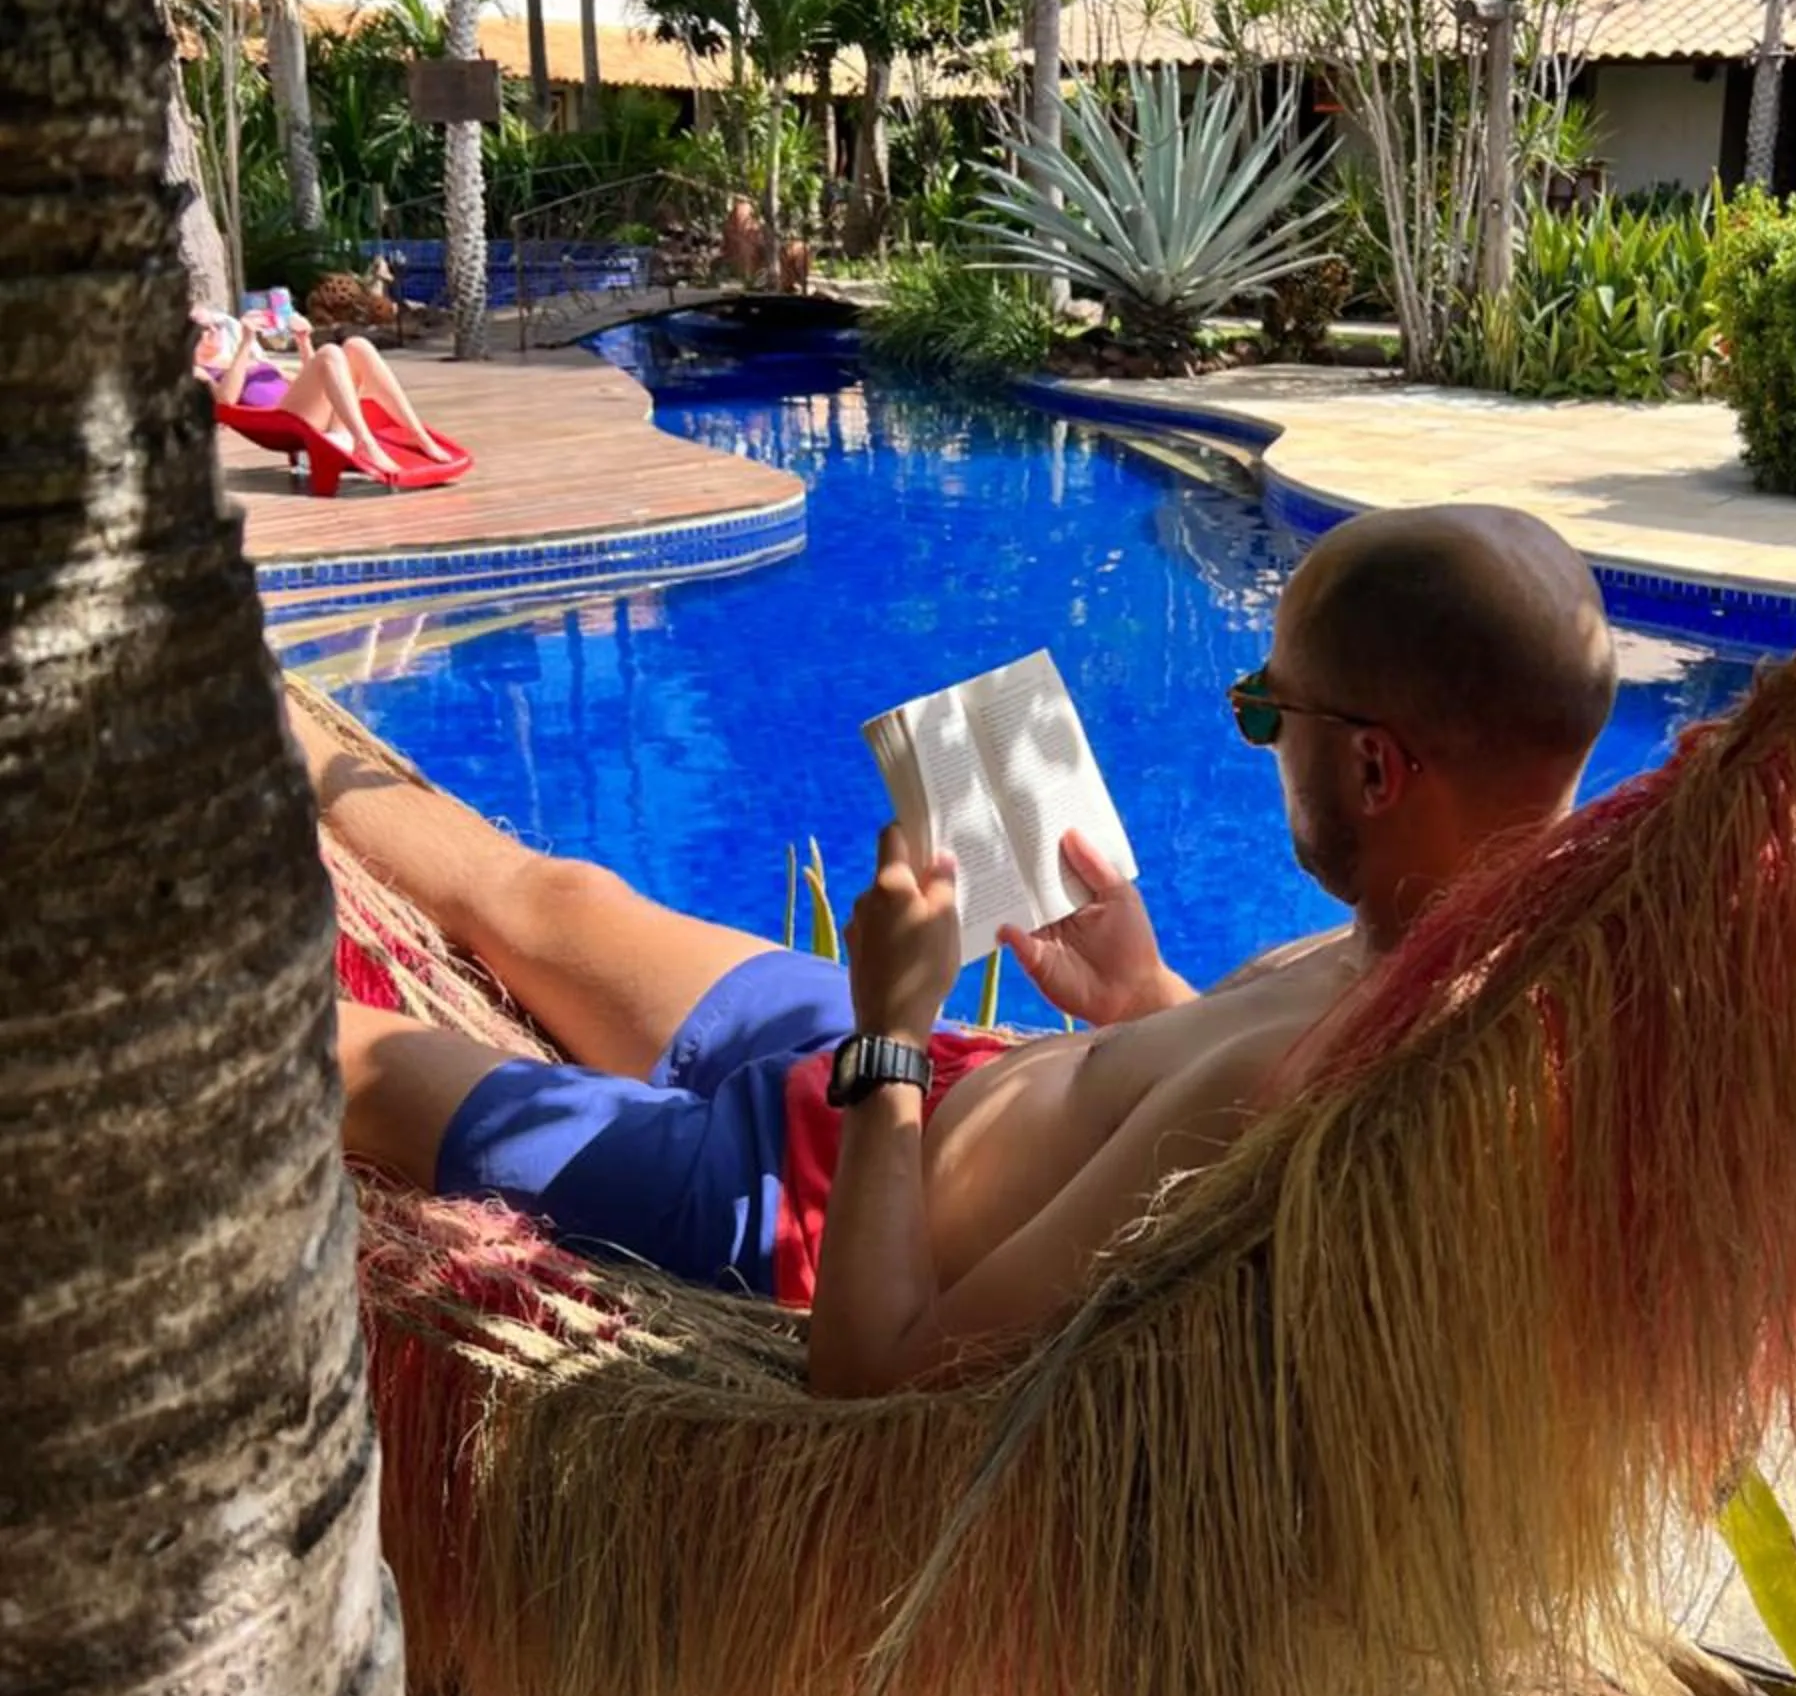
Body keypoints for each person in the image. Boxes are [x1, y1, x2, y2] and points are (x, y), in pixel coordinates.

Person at [305, 505, 1619, 1397]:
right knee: (548, 894)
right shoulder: (1404, 945)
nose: (1259, 732)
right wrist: (1138, 993)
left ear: (1376, 769)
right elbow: (1170, 1111)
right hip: (919, 1070)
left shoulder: (1308, 1093)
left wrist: (887, 1029)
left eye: (1262, 707)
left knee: (353, 1064)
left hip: (794, 1210)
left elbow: (878, 1370)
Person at [194, 307, 454, 473]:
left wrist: (303, 341)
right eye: (205, 328)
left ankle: (418, 435)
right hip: (278, 424)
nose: (214, 330)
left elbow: (315, 378)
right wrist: (246, 343)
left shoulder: (250, 360)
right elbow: (225, 403)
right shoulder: (198, 370)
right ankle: (364, 442)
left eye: (216, 324)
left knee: (357, 345)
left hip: (308, 415)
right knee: (330, 352)